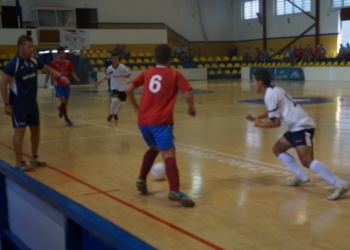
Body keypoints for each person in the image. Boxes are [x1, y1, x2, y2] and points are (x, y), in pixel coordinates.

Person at [245, 68, 350, 200]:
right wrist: (256, 117)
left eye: (253, 81)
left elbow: (276, 123)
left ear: (260, 82)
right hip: (295, 127)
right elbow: (271, 110)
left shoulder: (269, 95)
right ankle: (301, 176)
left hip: (302, 127)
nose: (252, 83)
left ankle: (340, 184)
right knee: (277, 149)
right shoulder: (274, 90)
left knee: (307, 160)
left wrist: (260, 124)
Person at [125, 44, 196, 207]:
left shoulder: (147, 73)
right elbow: (188, 95)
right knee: (169, 153)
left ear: (154, 59)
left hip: (143, 121)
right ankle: (175, 191)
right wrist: (192, 108)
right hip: (161, 121)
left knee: (154, 148)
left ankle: (141, 179)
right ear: (171, 59)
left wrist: (135, 105)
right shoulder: (175, 74)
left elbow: (128, 88)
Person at [0, 35, 69, 172]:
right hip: (19, 104)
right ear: (21, 47)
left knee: (36, 130)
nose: (32, 49)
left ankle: (34, 157)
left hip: (32, 103)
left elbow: (47, 69)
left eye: (32, 46)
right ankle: (19, 162)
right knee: (20, 132)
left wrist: (60, 76)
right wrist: (7, 104)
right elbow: (3, 84)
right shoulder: (13, 64)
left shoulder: (33, 61)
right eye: (29, 47)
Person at [44, 46, 80, 126]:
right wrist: (45, 83)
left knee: (65, 103)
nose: (62, 55)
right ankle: (67, 120)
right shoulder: (53, 63)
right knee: (63, 101)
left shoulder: (68, 62)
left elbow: (72, 72)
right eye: (60, 53)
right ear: (57, 54)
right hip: (58, 85)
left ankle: (61, 109)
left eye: (63, 53)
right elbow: (48, 73)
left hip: (66, 85)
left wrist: (76, 77)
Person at [94, 52, 130, 121]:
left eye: (116, 59)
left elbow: (128, 75)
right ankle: (110, 114)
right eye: (113, 59)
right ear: (111, 60)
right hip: (114, 86)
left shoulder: (122, 67)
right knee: (114, 100)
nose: (115, 60)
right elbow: (106, 77)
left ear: (118, 59)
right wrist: (99, 82)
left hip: (122, 87)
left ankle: (115, 113)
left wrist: (124, 75)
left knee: (122, 103)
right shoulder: (109, 68)